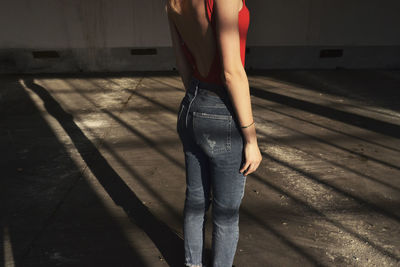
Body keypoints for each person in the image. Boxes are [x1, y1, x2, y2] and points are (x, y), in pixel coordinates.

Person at [165, 0, 262, 266]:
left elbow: (182, 63)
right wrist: (250, 138)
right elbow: (232, 73)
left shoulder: (172, 2)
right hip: (222, 109)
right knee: (226, 213)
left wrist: (197, 104)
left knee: (195, 201)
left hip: (191, 104)